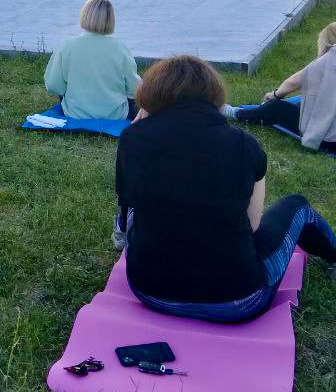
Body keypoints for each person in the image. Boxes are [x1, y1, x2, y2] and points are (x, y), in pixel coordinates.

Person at [116, 54, 336, 323]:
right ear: (213, 95)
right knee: (297, 206)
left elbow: (127, 207)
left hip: (148, 291)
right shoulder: (242, 145)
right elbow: (254, 225)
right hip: (238, 300)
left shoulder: (131, 138)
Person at [228, 22, 336, 152]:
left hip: (327, 140)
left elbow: (294, 82)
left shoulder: (332, 57)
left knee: (277, 107)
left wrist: (274, 95)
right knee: (300, 102)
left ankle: (234, 113)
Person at [44, 0, 139, 121]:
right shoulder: (120, 48)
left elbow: (53, 85)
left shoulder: (67, 45)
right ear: (111, 20)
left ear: (85, 15)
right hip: (115, 115)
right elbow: (134, 89)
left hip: (74, 114)